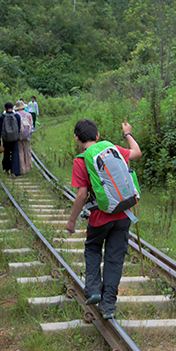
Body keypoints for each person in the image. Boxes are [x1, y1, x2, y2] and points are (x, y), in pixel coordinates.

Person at [65, 119, 141, 319]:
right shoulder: (111, 149)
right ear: (97, 136)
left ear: (76, 138)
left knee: (92, 248)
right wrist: (127, 134)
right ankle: (108, 306)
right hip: (124, 214)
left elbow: (82, 195)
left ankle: (93, 289)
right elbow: (137, 153)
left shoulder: (80, 161)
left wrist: (72, 220)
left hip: (100, 217)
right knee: (115, 259)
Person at [0, 102, 20, 176]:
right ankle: (15, 171)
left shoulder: (2, 117)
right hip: (15, 138)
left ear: (5, 108)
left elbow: (0, 129)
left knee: (6, 153)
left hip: (6, 139)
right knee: (15, 154)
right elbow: (19, 128)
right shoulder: (17, 116)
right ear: (13, 108)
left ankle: (6, 168)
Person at [14, 100, 33, 174]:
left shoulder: (16, 115)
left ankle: (22, 169)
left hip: (19, 137)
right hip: (27, 136)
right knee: (27, 151)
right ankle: (28, 168)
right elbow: (31, 125)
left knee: (20, 153)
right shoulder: (28, 115)